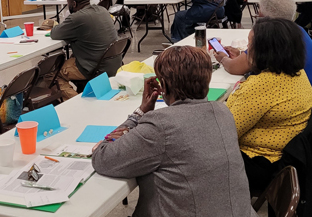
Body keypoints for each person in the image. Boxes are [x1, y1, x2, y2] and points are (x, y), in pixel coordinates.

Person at [92, 46, 255, 217]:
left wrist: (138, 115)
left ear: (165, 86)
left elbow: (104, 159)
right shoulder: (223, 112)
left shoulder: (161, 125)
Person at [226, 18, 312, 191]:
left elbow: (224, 133)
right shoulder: (297, 73)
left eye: (250, 44)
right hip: (285, 159)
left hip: (261, 164)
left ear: (265, 50)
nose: (246, 49)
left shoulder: (262, 85)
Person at [215, 0, 312, 103]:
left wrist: (223, 58)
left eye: (259, 10)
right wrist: (241, 55)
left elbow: (234, 68)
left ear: (265, 17)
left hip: (305, 108)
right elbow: (260, 59)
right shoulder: (297, 31)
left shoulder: (270, 38)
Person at [48, 0, 119, 99]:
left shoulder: (77, 17)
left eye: (69, 4)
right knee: (71, 58)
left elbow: (55, 33)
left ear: (74, 3)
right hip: (114, 62)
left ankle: (75, 101)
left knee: (51, 73)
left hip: (95, 67)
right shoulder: (103, 10)